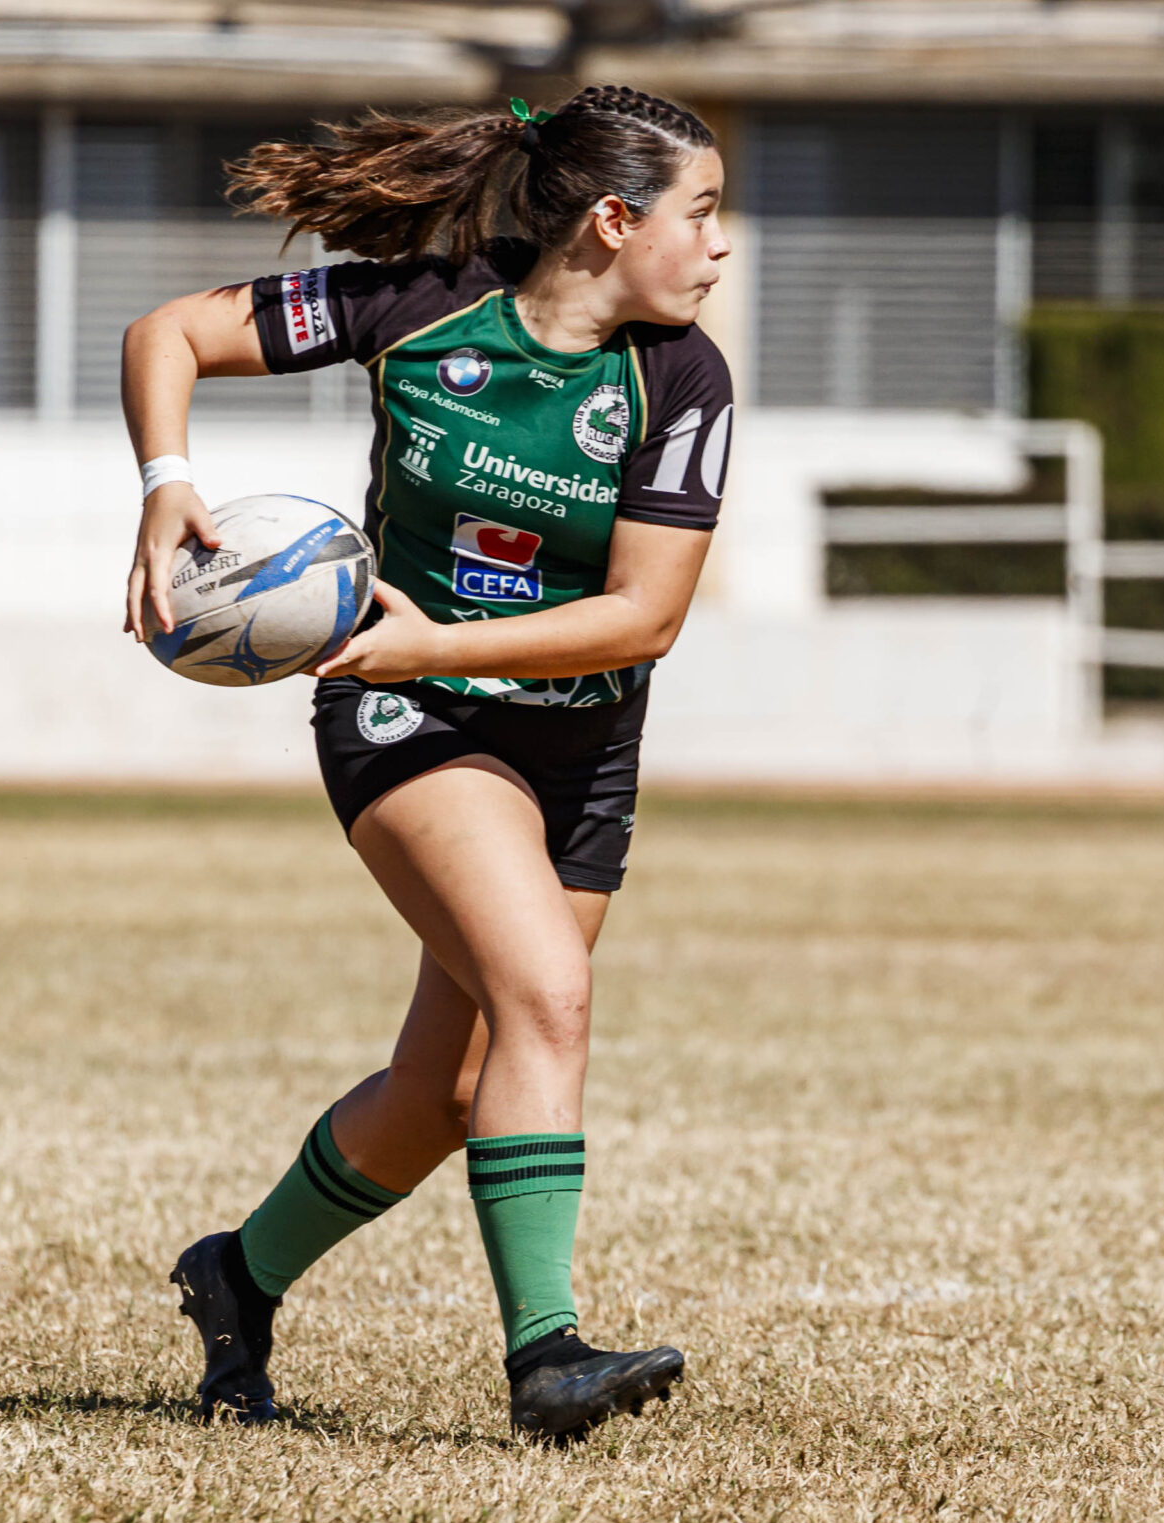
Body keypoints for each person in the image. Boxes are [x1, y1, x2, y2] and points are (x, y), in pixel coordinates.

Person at [123, 86, 735, 1442]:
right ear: (612, 220)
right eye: (702, 213)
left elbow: (646, 616)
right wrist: (168, 479)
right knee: (549, 994)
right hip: (412, 717)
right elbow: (167, 333)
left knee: (450, 1093)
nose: (720, 246)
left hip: (580, 743)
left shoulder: (682, 377)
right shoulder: (416, 306)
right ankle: (547, 1357)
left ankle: (240, 1271)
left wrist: (447, 635)